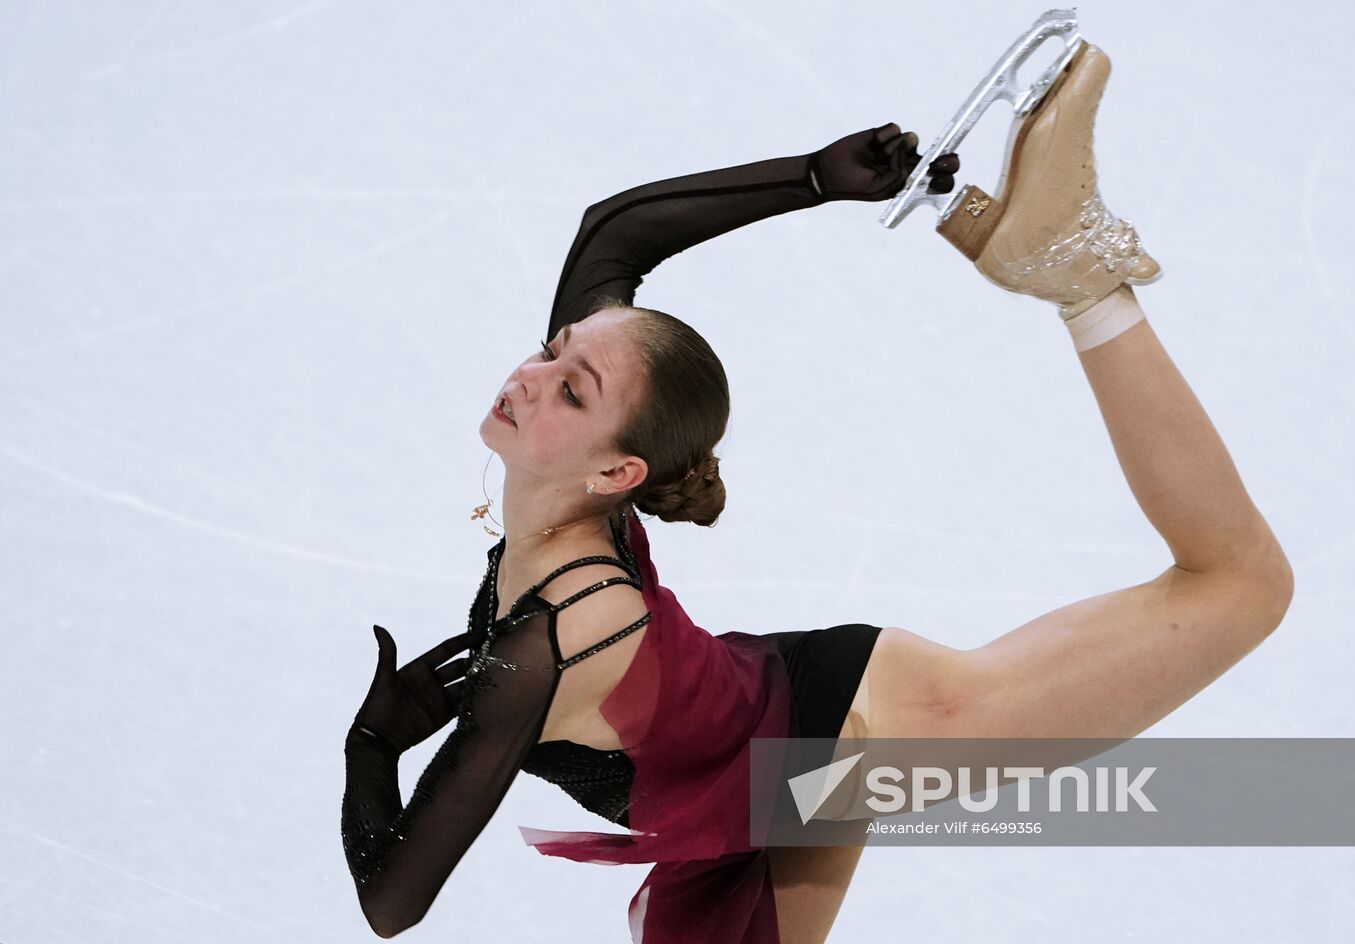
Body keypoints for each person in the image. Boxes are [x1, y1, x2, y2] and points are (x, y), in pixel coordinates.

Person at [341, 44, 1293, 944]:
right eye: (554, 355)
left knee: (1241, 585)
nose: (531, 374)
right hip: (760, 786)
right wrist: (812, 178)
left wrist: (373, 746)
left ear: (619, 472)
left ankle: (1081, 280)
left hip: (867, 738)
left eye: (572, 386)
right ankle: (1041, 254)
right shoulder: (585, 494)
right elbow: (613, 233)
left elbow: (394, 898)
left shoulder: (558, 631)